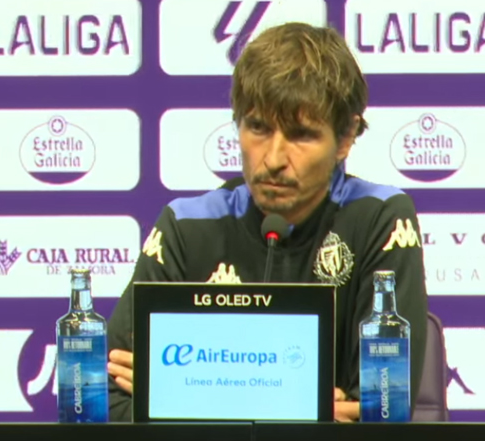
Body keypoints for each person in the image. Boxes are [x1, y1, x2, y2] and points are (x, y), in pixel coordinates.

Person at [106, 22, 428, 423]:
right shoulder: (186, 225)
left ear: (345, 138)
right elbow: (107, 401)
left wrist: (182, 394)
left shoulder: (380, 217)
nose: (273, 159)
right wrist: (298, 409)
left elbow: (380, 415)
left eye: (301, 135)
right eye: (258, 127)